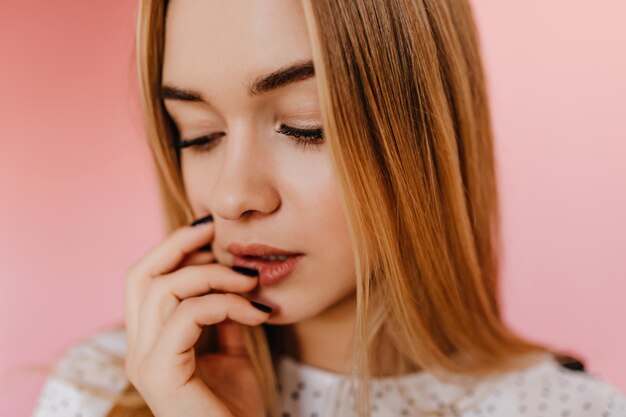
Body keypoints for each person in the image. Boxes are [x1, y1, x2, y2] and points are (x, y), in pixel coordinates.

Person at [31, 0, 626, 416]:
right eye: (199, 134)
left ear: (420, 130)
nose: (233, 196)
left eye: (303, 127)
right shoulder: (100, 390)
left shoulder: (572, 409)